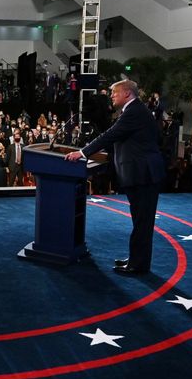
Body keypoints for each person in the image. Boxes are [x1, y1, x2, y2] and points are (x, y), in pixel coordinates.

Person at [65, 80, 166, 275]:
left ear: (127, 93)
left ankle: (138, 265)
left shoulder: (134, 111)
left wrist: (83, 153)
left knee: (142, 222)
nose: (111, 96)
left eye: (114, 92)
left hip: (144, 175)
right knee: (140, 221)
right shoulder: (134, 110)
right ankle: (137, 259)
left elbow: (110, 135)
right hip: (142, 173)